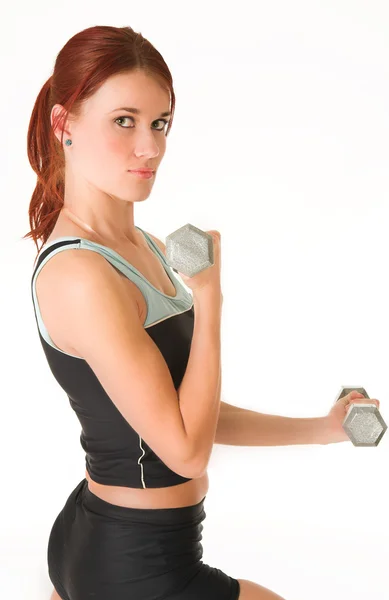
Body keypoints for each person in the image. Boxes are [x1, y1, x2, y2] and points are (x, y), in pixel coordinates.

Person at [25, 24, 290, 600]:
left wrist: (321, 431)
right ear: (62, 122)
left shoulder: (143, 247)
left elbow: (188, 412)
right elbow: (185, 449)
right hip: (132, 564)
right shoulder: (80, 275)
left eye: (160, 123)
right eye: (124, 121)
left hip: (111, 535)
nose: (151, 147)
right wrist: (211, 300)